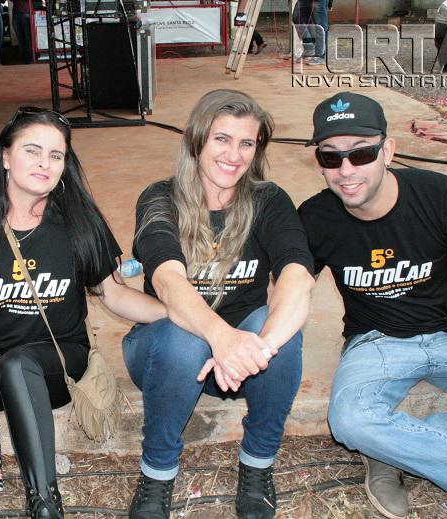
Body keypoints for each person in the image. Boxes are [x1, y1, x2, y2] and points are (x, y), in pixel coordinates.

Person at [0, 107, 167, 519]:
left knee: (18, 362)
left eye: (55, 155)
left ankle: (45, 503)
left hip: (56, 365)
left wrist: (178, 313)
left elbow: (114, 294)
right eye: (32, 150)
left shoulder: (79, 221)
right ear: (6, 156)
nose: (45, 163)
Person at [298, 91, 447, 518]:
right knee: (351, 419)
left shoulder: (443, 196)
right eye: (330, 157)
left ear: (388, 150)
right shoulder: (315, 218)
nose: (346, 170)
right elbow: (287, 293)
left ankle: (397, 447)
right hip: (375, 342)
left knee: (374, 429)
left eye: (361, 153)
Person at [124, 89, 315, 519]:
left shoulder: (268, 200)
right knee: (183, 338)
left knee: (281, 328)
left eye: (247, 143)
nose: (234, 155)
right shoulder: (159, 198)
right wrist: (221, 338)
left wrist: (254, 349)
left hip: (241, 364)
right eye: (222, 139)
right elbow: (168, 281)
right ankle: (157, 474)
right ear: (196, 141)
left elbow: (298, 277)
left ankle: (257, 465)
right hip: (165, 355)